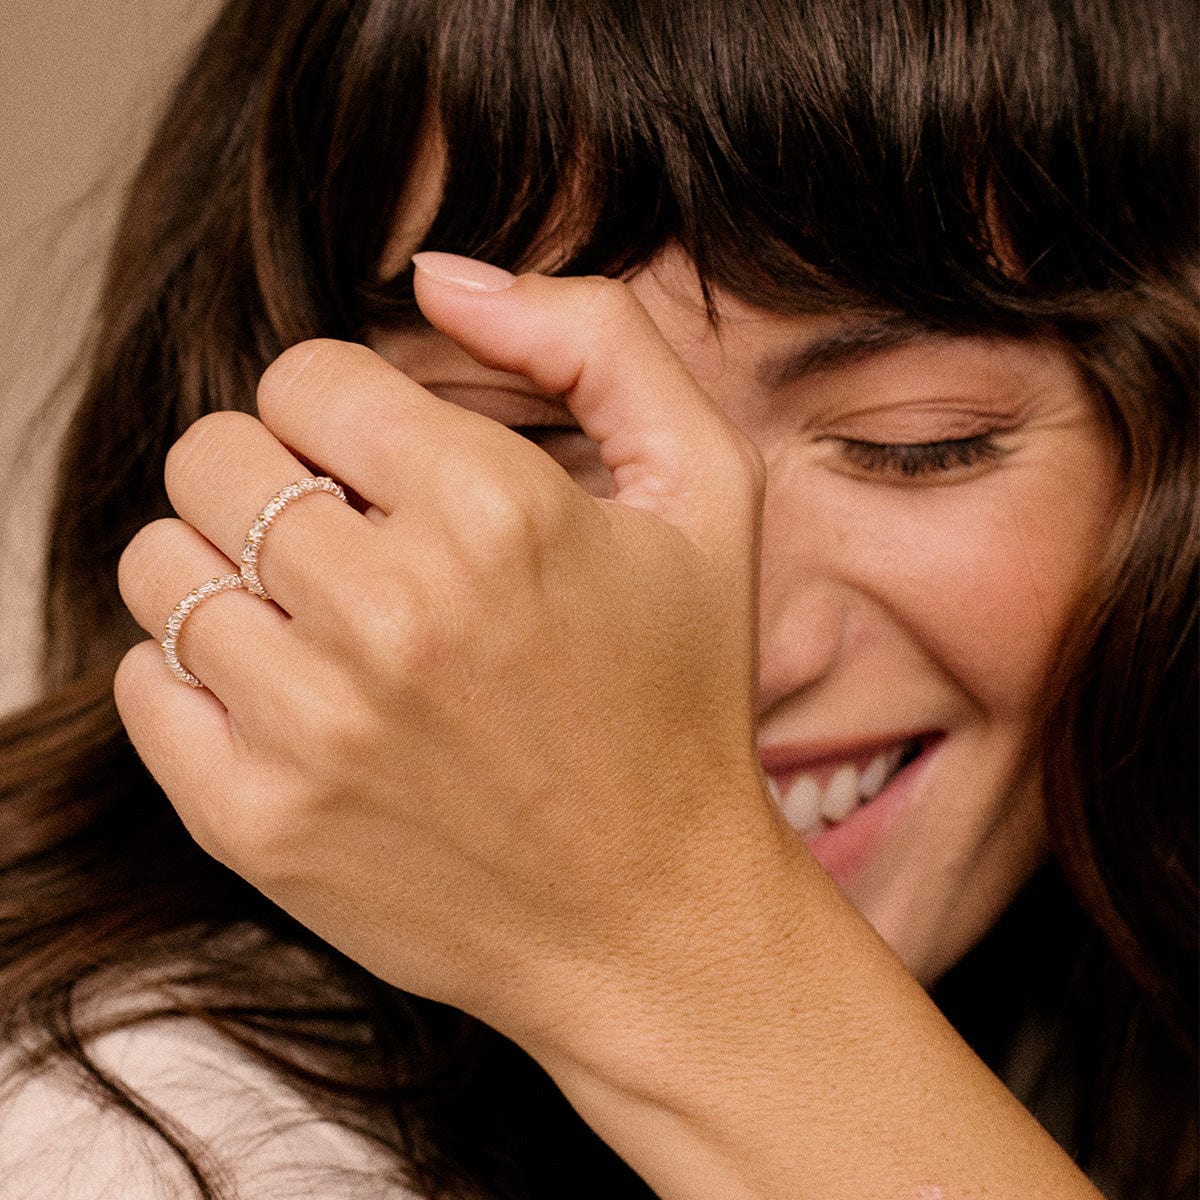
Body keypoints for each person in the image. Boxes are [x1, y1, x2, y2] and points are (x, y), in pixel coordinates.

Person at [1, 1, 1195, 1197]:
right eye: (522, 441)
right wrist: (675, 932)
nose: (727, 645)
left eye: (918, 443)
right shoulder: (134, 1131)